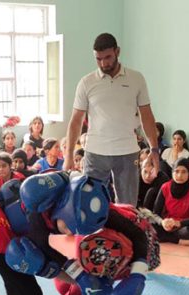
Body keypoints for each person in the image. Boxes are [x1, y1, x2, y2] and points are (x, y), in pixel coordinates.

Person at [64, 33, 160, 206]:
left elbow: (147, 115)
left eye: (107, 57)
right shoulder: (86, 82)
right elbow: (76, 121)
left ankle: (124, 234)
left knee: (128, 206)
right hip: (95, 152)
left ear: (117, 51)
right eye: (98, 59)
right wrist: (68, 155)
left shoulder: (136, 79)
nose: (103, 63)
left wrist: (154, 149)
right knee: (90, 205)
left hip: (127, 151)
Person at [153, 158, 189, 244]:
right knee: (149, 225)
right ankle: (179, 241)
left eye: (184, 172)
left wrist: (180, 223)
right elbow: (155, 214)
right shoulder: (165, 187)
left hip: (185, 226)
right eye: (177, 171)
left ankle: (169, 238)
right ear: (172, 172)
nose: (179, 175)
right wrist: (162, 222)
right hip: (168, 225)